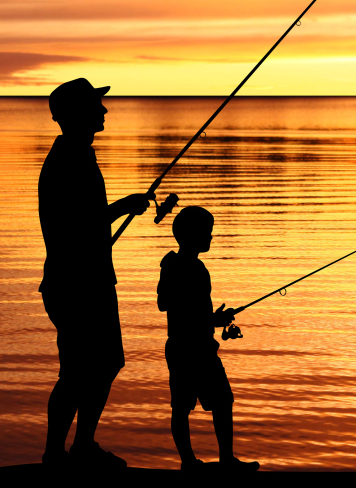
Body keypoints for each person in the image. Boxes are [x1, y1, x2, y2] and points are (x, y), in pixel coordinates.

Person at [38, 78, 154, 469]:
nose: (104, 111)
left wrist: (121, 209)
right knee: (77, 370)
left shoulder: (79, 154)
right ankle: (57, 453)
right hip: (75, 285)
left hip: (90, 279)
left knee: (104, 363)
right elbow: (78, 224)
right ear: (76, 113)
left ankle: (81, 445)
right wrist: (123, 206)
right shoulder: (68, 159)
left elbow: (84, 226)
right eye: (96, 105)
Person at [157, 206, 259, 472]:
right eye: (208, 233)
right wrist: (213, 320)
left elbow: (166, 304)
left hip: (179, 346)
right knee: (220, 402)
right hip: (196, 348)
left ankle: (189, 462)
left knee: (182, 407)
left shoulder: (170, 264)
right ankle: (223, 460)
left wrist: (211, 317)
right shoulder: (195, 269)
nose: (211, 238)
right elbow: (184, 310)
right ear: (194, 236)